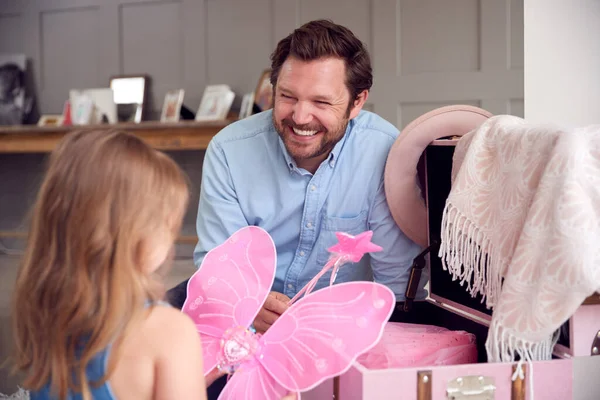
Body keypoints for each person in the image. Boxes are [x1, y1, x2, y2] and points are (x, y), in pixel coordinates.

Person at [168, 19, 428, 334]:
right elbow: (220, 264)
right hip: (245, 318)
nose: (300, 117)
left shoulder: (386, 152)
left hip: (340, 325)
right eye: (288, 97)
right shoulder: (229, 150)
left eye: (321, 102)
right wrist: (246, 303)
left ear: (357, 101)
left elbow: (398, 288)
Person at [11, 130, 224, 400]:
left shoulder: (43, 312)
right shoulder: (169, 331)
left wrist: (185, 378)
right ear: (137, 236)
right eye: (168, 225)